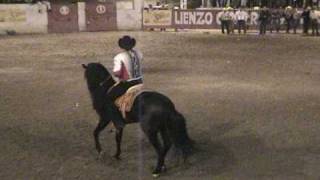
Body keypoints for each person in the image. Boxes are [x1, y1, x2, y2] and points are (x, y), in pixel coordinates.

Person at [106, 36, 144, 129]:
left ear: (121, 46)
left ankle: (118, 121)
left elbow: (117, 73)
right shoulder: (139, 53)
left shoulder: (119, 57)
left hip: (128, 84)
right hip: (139, 81)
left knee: (108, 98)